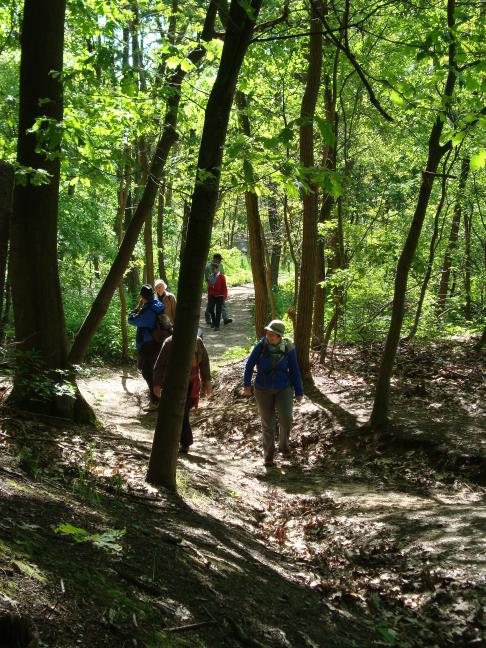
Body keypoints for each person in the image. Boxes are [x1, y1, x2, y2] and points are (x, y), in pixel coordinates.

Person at [243, 319, 304, 467]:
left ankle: (283, 446)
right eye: (268, 333)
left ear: (280, 336)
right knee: (267, 422)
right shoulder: (261, 346)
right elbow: (249, 365)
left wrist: (299, 390)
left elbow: (295, 370)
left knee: (286, 418)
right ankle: (268, 456)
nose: (269, 336)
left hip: (284, 387)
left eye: (273, 334)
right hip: (262, 388)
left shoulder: (288, 348)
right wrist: (247, 385)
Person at [153, 334, 212, 453]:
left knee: (183, 412)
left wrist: (207, 381)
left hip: (192, 384)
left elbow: (204, 362)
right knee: (178, 412)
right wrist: (157, 384)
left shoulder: (198, 342)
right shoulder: (170, 342)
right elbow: (160, 364)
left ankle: (184, 442)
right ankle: (181, 442)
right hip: (173, 384)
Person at [128, 284, 165, 411]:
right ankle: (158, 397)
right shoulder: (157, 304)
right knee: (148, 369)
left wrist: (137, 307)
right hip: (156, 342)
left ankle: (155, 401)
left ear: (142, 297)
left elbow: (132, 320)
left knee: (147, 371)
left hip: (149, 344)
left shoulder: (148, 310)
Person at [204, 253, 232, 325]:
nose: (220, 261)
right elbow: (207, 279)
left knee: (222, 303)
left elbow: (222, 275)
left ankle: (225, 319)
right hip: (212, 289)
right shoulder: (208, 267)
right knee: (210, 304)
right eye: (219, 260)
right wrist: (212, 285)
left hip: (220, 289)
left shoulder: (221, 266)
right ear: (215, 259)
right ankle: (208, 319)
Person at [207, 263, 228, 331]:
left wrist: (224, 295)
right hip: (212, 295)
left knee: (218, 311)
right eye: (211, 269)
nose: (212, 270)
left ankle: (217, 326)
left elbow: (224, 287)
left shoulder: (221, 276)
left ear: (216, 269)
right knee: (210, 309)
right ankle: (214, 321)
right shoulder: (211, 276)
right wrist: (209, 295)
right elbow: (209, 287)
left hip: (220, 296)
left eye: (213, 269)